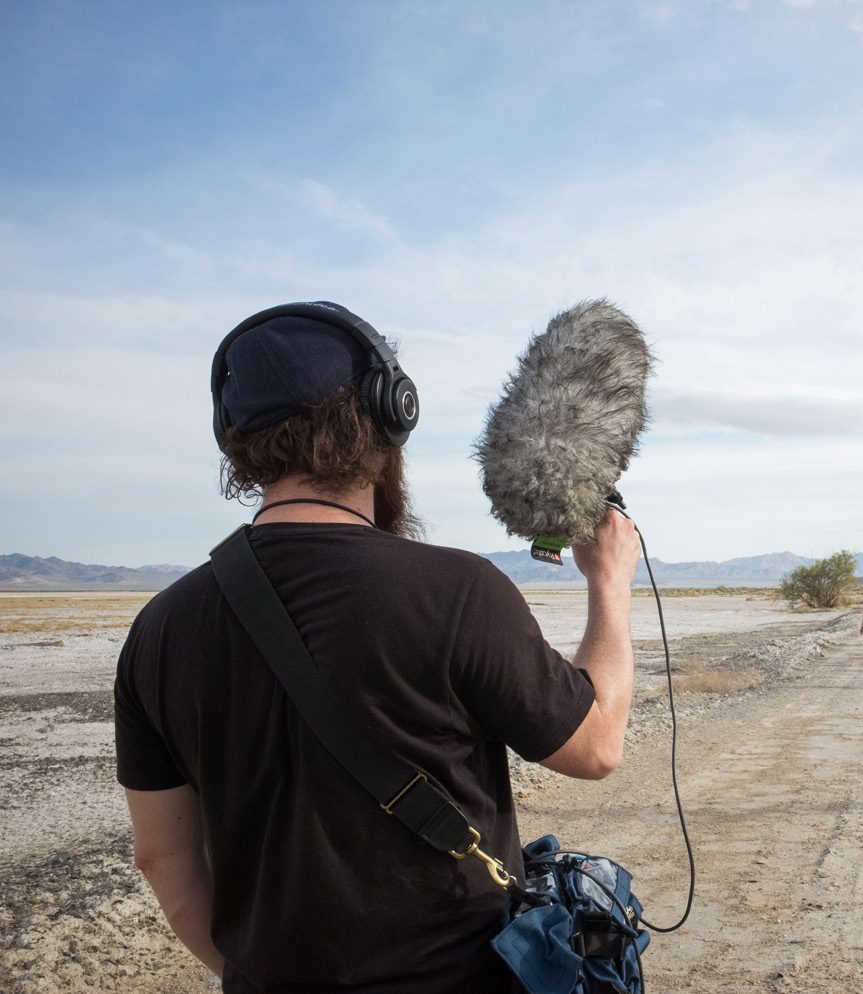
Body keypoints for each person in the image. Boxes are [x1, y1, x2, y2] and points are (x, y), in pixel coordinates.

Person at [113, 302, 642, 993]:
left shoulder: (159, 629)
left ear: (235, 438)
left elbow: (162, 861)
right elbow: (596, 746)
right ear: (390, 413)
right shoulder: (459, 592)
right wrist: (611, 582)